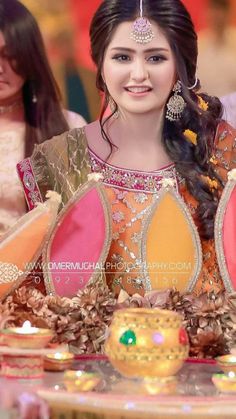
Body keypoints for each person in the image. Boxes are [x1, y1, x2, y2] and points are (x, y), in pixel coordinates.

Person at [19, 0, 236, 298]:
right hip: (85, 343)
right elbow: (32, 292)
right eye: (122, 57)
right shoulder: (61, 160)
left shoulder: (220, 149)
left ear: (181, 66)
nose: (138, 74)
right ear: (100, 62)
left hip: (202, 341)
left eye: (156, 58)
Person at [0, 0, 86, 235]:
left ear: (30, 57)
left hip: (39, 266)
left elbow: (82, 222)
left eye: (9, 55)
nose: (0, 68)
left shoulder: (66, 126)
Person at [197, 0, 236, 96]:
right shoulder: (197, 44)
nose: (218, 15)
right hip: (205, 107)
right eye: (214, 9)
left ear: (228, 13)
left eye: (221, 10)